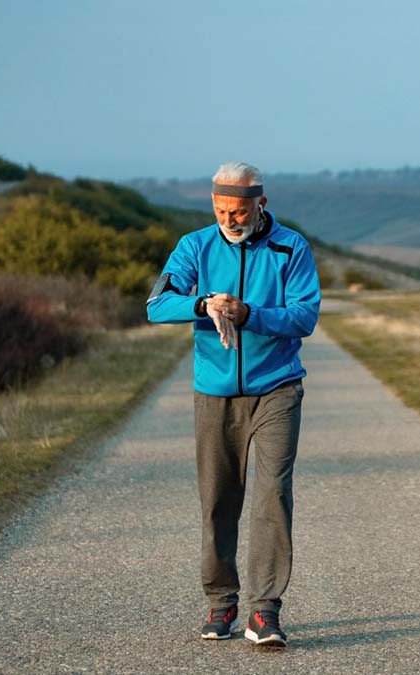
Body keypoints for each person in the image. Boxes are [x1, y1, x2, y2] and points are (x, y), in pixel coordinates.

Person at [146, 162, 320, 649]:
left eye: (239, 209)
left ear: (260, 203)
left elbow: (304, 315)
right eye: (222, 209)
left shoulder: (292, 247)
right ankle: (221, 601)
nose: (230, 218)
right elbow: (156, 305)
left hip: (277, 389)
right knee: (218, 501)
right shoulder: (194, 247)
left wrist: (250, 314)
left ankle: (265, 612)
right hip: (214, 394)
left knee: (271, 496)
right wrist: (202, 305)